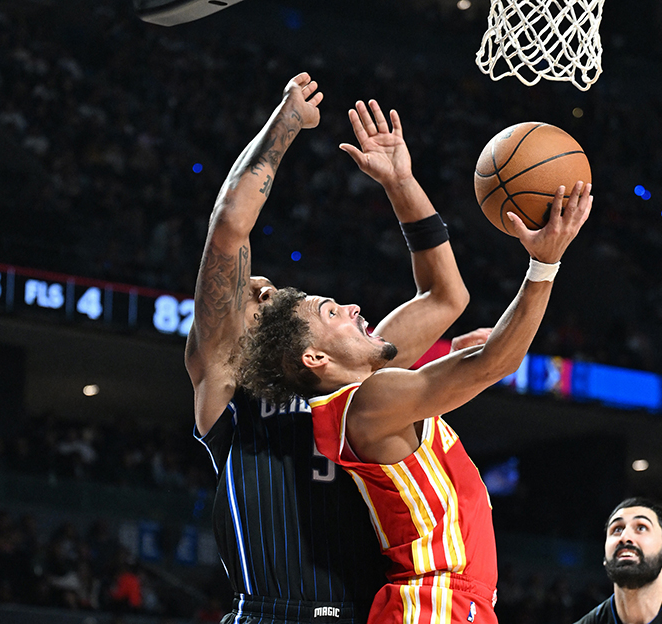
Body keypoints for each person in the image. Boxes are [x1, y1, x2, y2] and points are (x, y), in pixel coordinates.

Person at [239, 149, 593, 623]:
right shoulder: (368, 402)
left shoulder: (374, 382)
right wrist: (544, 266)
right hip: (432, 602)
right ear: (316, 358)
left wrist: (400, 181)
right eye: (331, 313)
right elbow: (494, 364)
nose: (351, 308)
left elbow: (445, 296)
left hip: (450, 602)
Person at [184, 72, 472, 624]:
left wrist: (401, 183)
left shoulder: (355, 371)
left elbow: (443, 297)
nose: (264, 287)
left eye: (272, 289)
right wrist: (285, 123)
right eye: (255, 293)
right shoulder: (227, 382)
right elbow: (228, 232)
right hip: (269, 613)